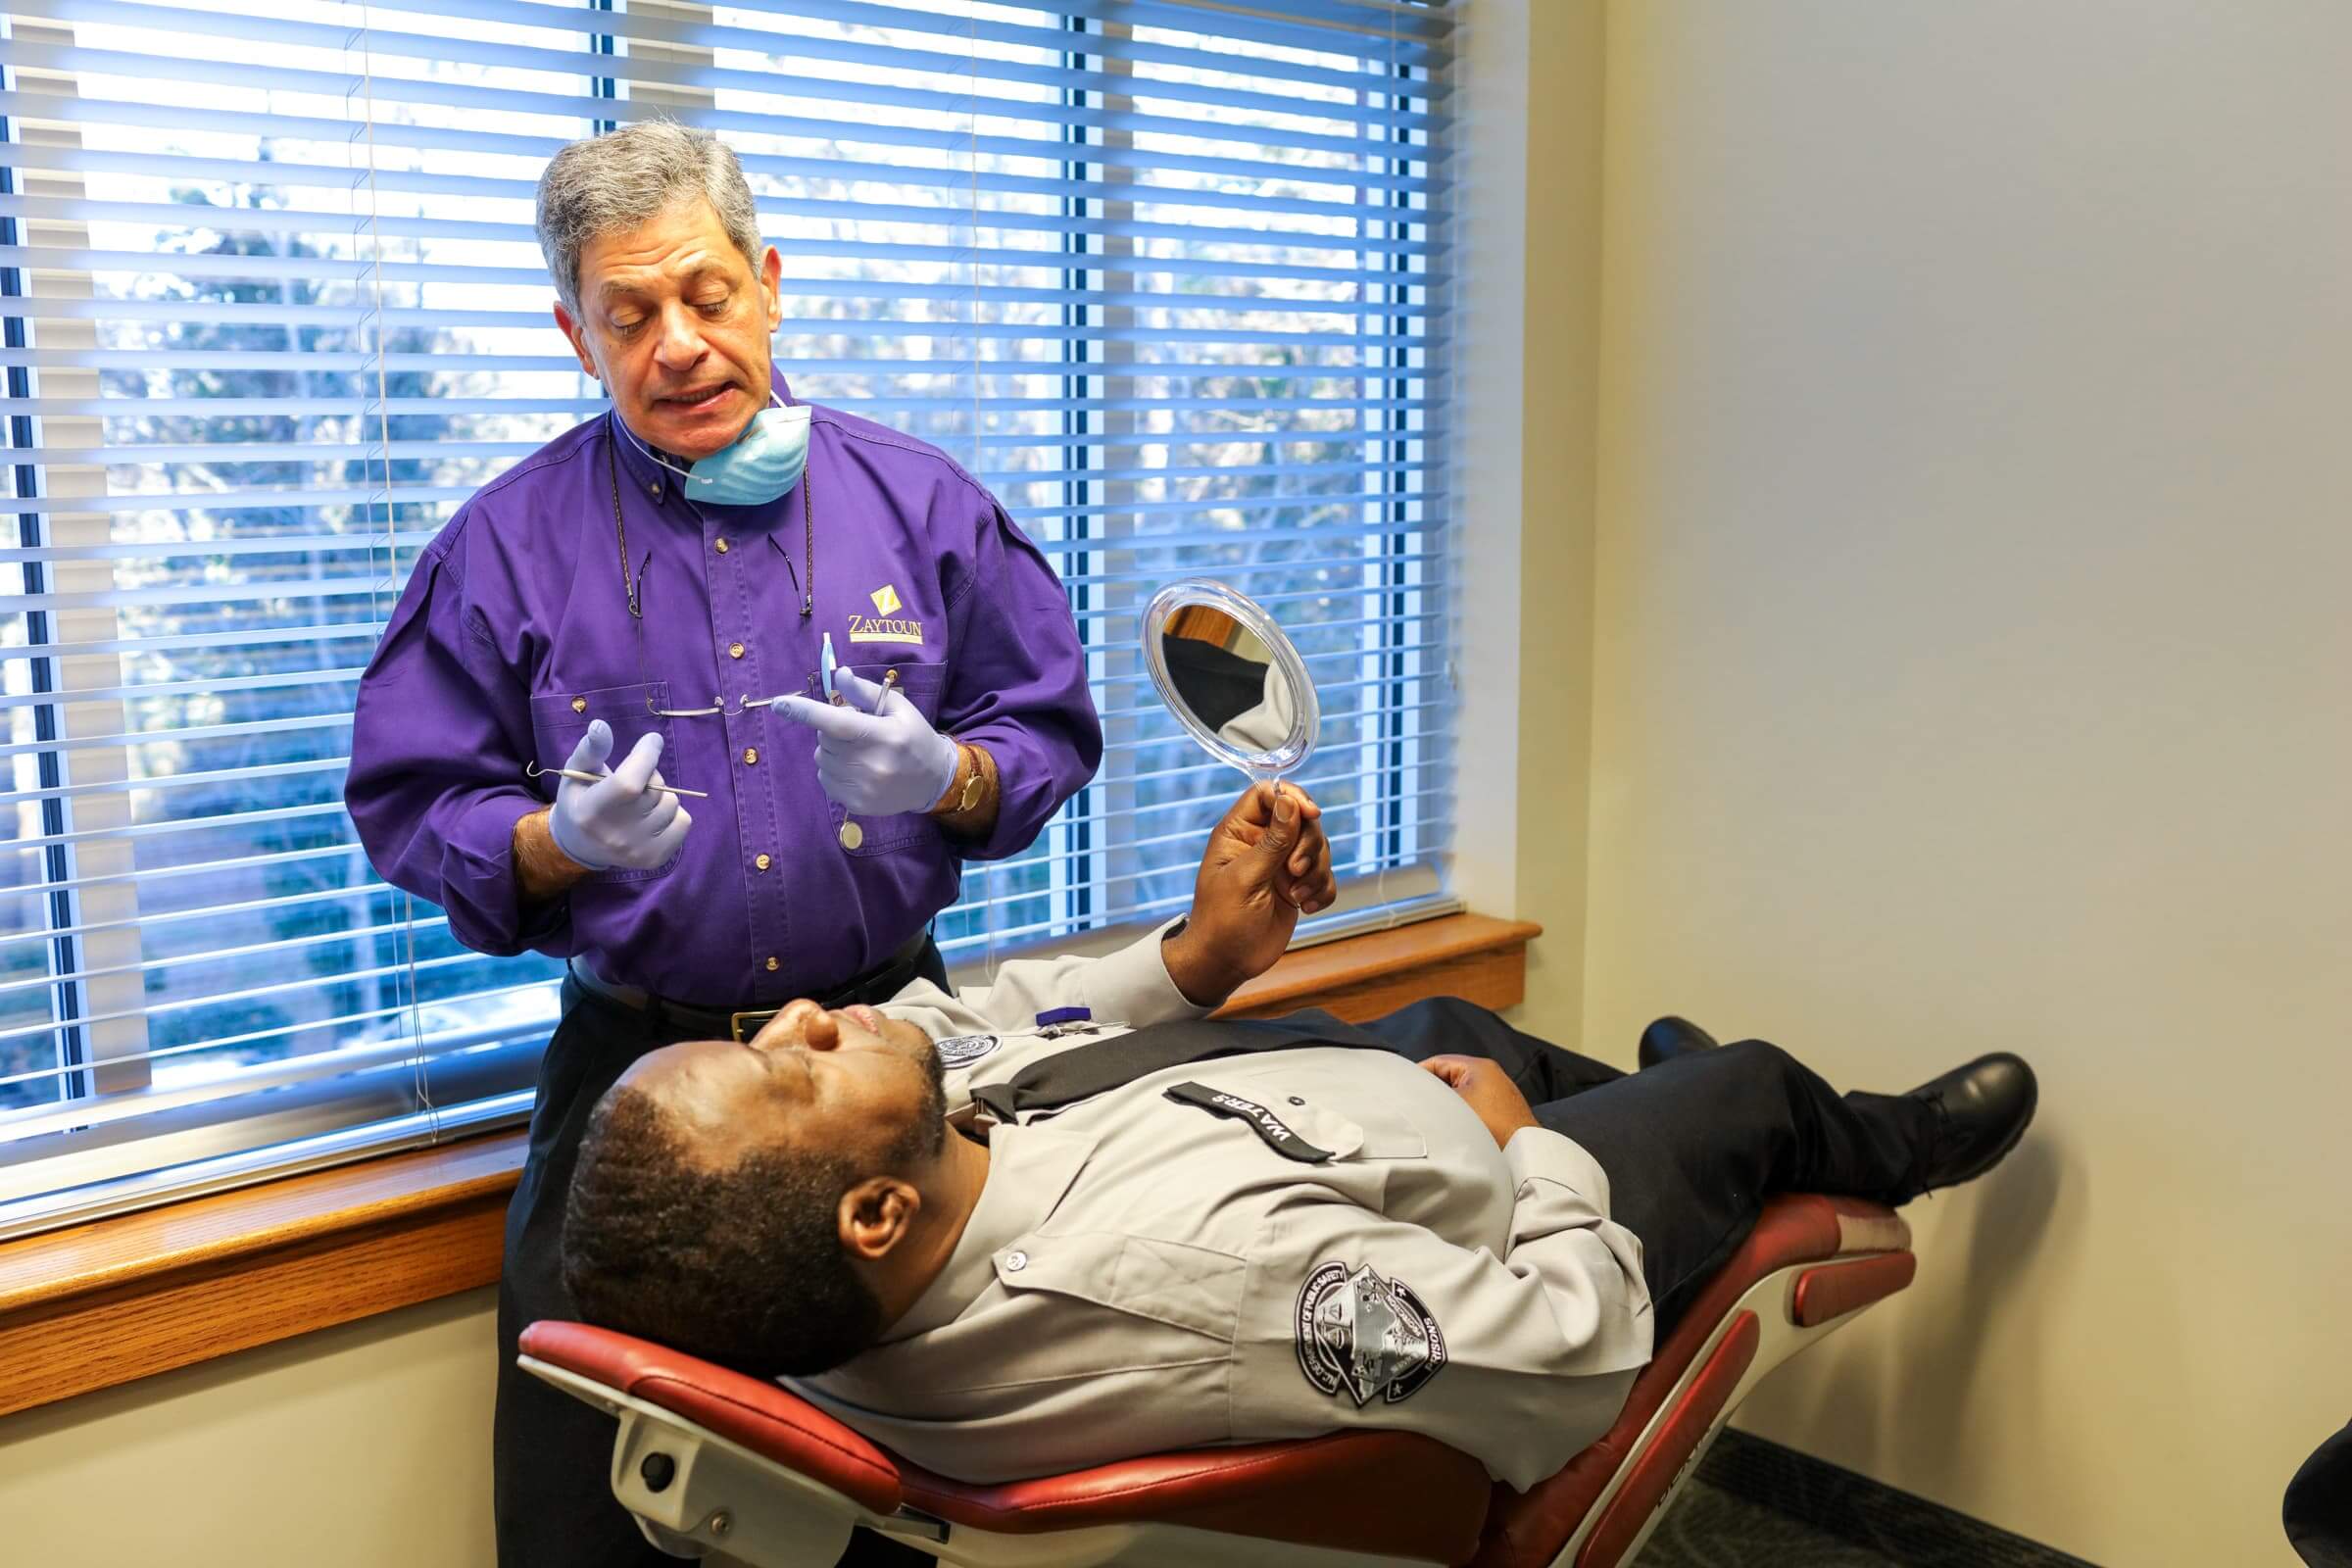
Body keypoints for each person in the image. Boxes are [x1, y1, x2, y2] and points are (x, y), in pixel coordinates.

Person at [344, 119, 1134, 1566]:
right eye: (628, 313)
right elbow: (412, 807)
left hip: (885, 1054)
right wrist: (553, 843)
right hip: (640, 1080)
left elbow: (1048, 736)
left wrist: (951, 774)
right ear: (577, 338)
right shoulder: (500, 547)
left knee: (890, 1485)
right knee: (594, 1502)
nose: (680, 344)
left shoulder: (925, 504)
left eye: (707, 295)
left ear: (768, 282)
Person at [559, 791, 2039, 1492]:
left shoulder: (863, 1223)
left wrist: (1201, 959)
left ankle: (1665, 1094)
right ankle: (1843, 1140)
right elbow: (1565, 1357)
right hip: (1493, 1201)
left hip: (1355, 1101)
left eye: (766, 1032)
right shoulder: (1201, 1290)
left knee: (1457, 1008)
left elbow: (982, 1030)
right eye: (789, 1068)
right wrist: (1532, 1157)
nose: (809, 1014)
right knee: (1749, 1090)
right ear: (868, 1217)